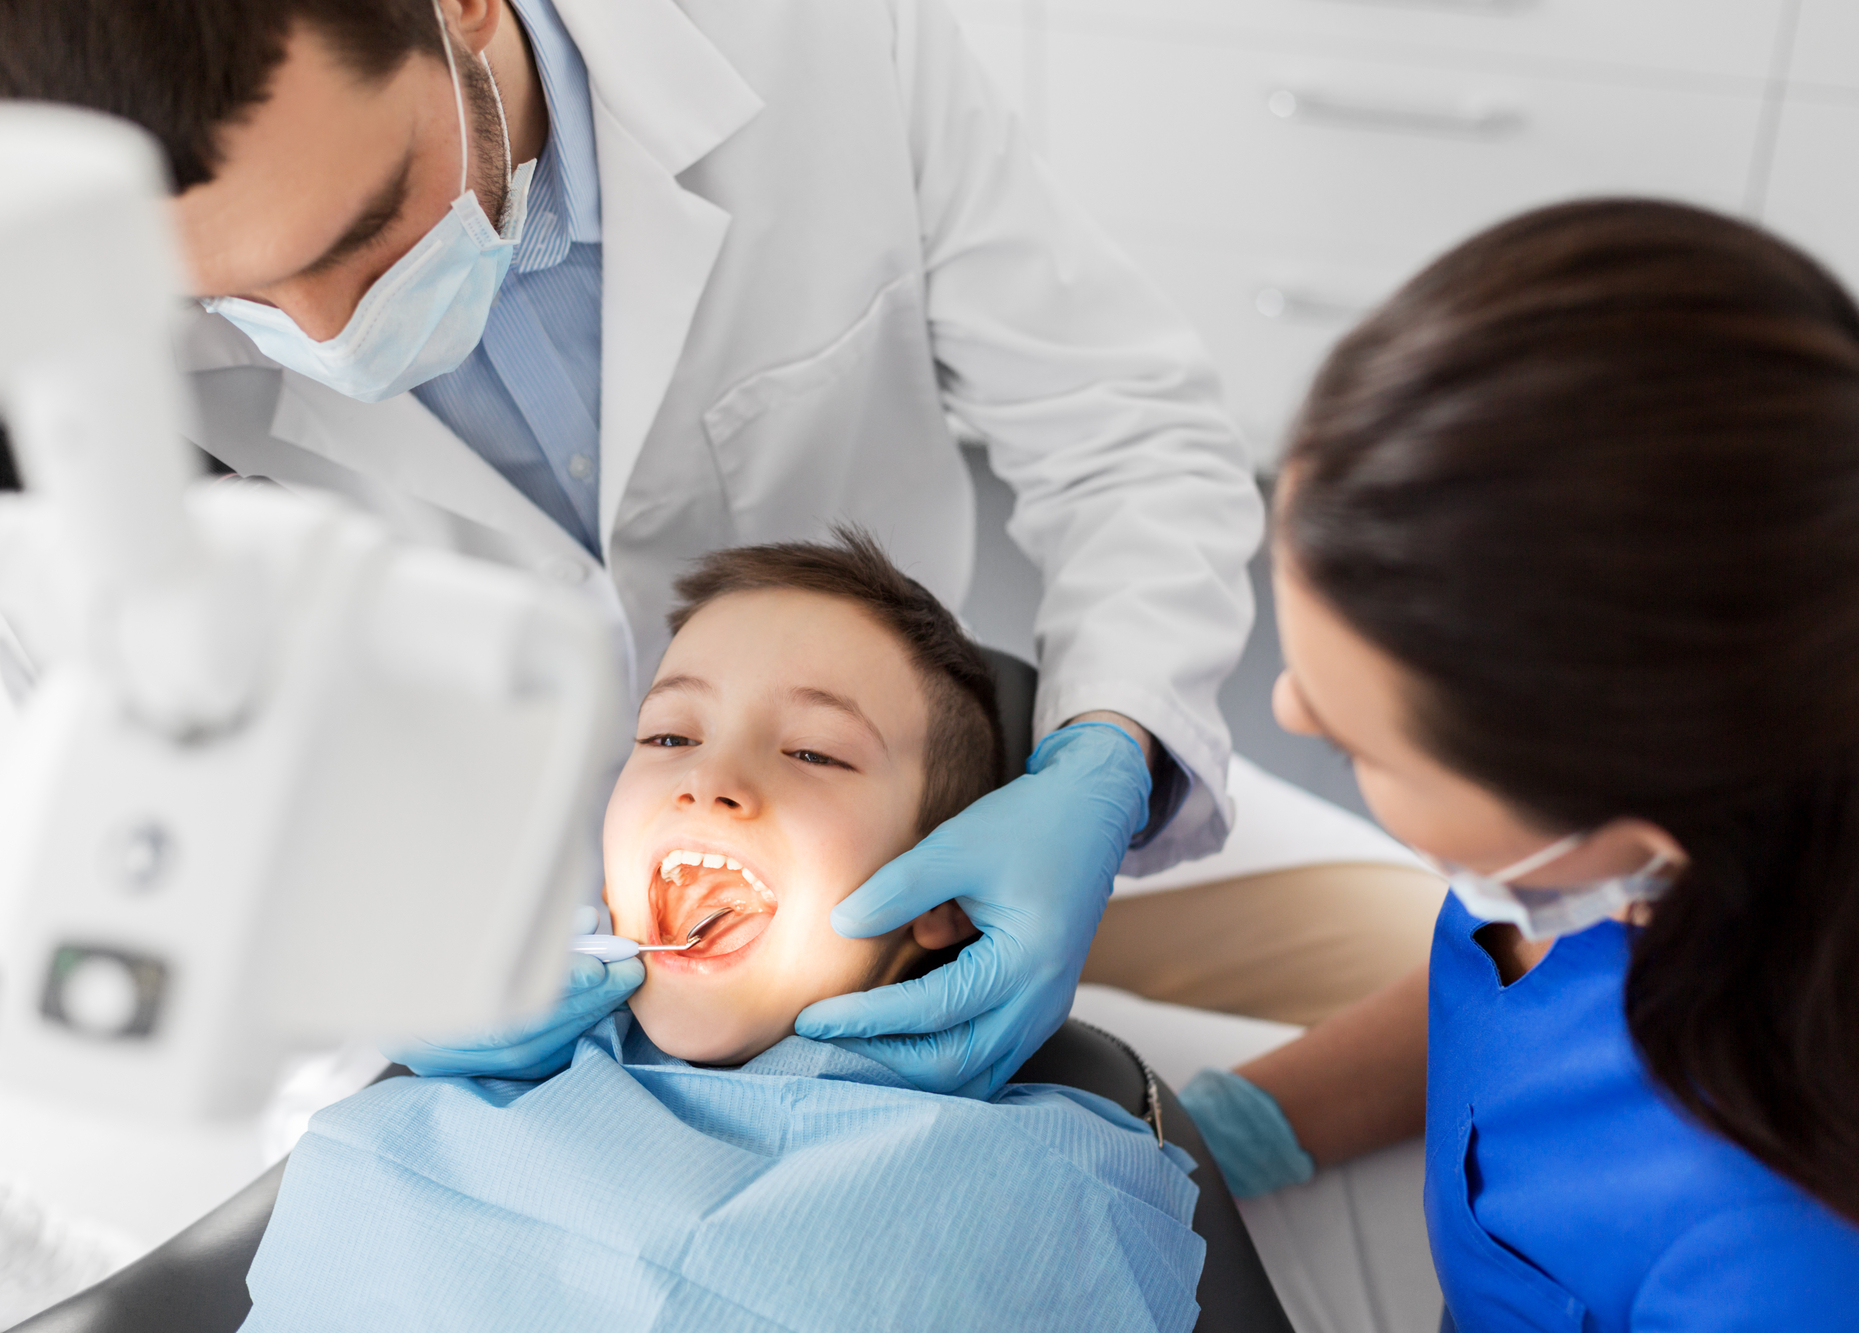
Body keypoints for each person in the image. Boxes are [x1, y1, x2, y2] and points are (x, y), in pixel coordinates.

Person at [0, 0, 1264, 1097]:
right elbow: (78, 785)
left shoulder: (809, 39)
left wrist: (1107, 759)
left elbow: (1121, 428)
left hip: (931, 822)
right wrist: (345, 972)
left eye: (366, 225)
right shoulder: (62, 336)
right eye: (225, 300)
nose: (328, 337)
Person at [1179, 199, 1859, 1326]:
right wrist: (1221, 1133)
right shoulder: (1631, 827)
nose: (1285, 706)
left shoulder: (1805, 1255)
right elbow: (1508, 1001)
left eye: (1361, 742)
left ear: (1640, 829)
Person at [242, 531, 1205, 1332]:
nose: (707, 780)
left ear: (947, 892)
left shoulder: (1034, 1193)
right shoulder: (441, 1100)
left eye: (814, 752)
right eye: (668, 735)